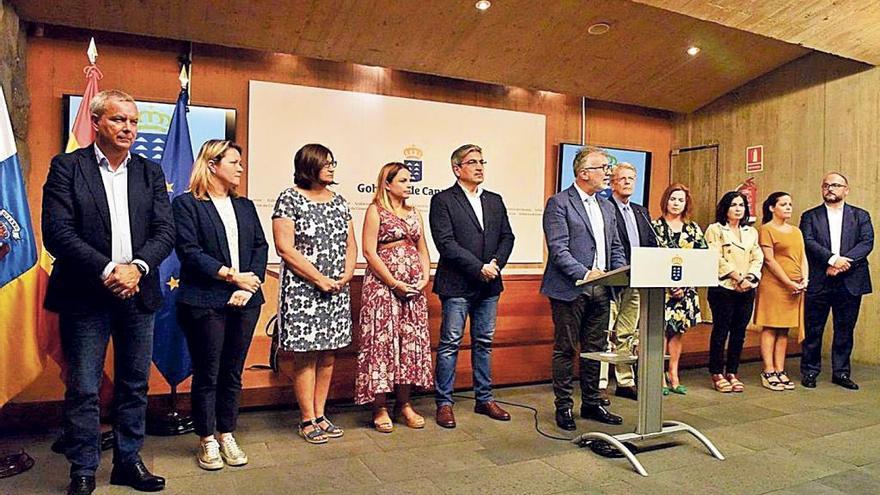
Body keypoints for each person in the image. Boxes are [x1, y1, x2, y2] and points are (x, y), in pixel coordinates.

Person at [42, 89, 174, 495]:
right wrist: (107, 269)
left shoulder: (150, 173)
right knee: (83, 386)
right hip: (85, 294)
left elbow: (164, 231)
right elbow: (57, 233)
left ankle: (128, 462)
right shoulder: (67, 167)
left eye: (134, 122)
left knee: (135, 383)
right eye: (119, 120)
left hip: (138, 291)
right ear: (96, 122)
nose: (129, 129)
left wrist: (135, 268)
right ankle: (82, 468)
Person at [172, 140, 268, 469]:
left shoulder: (245, 206)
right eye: (234, 162)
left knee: (233, 372)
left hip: (246, 299)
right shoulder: (187, 205)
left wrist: (250, 282)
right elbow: (189, 251)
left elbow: (259, 245)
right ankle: (207, 439)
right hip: (205, 299)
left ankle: (227, 432)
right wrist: (231, 278)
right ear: (212, 165)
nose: (241, 167)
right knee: (208, 373)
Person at [272, 144, 357, 443]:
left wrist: (347, 274)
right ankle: (306, 418)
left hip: (337, 288)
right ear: (309, 165)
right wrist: (319, 279)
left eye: (334, 162)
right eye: (326, 163)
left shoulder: (340, 201)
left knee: (329, 354)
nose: (332, 168)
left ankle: (321, 415)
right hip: (303, 290)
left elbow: (350, 244)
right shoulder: (289, 198)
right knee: (306, 356)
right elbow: (285, 248)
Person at [430, 144, 515, 429]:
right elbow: (446, 243)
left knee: (484, 343)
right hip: (457, 284)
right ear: (457, 168)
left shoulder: (495, 199)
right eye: (472, 162)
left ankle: (484, 399)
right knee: (450, 344)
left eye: (482, 161)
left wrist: (496, 264)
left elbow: (508, 237)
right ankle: (444, 403)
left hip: (490, 285)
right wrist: (479, 267)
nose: (479, 167)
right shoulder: (442, 200)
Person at [541, 147, 626, 431]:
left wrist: (620, 275)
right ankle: (563, 406)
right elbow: (558, 249)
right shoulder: (559, 203)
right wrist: (586, 274)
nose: (608, 172)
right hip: (570, 288)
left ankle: (592, 403)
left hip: (603, 290)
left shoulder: (607, 205)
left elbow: (615, 246)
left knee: (595, 349)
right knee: (565, 349)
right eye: (603, 167)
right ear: (583, 173)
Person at [355, 163, 433, 433]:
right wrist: (393, 282)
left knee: (408, 344)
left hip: (412, 290)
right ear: (387, 184)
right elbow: (369, 251)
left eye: (409, 180)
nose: (408, 184)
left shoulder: (415, 213)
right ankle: (379, 407)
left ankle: (404, 404)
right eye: (402, 180)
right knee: (382, 344)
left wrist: (424, 278)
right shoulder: (376, 210)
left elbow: (423, 249)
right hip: (382, 289)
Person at [799, 172, 873, 390]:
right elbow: (808, 241)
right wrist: (832, 259)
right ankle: (810, 371)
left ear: (846, 190)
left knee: (845, 329)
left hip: (851, 280)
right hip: (820, 278)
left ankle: (841, 373)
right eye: (826, 185)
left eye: (836, 185)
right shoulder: (810, 216)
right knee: (814, 328)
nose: (830, 188)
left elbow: (866, 242)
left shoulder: (861, 215)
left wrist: (842, 263)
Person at [605, 162, 657, 401]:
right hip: (613, 280)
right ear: (612, 182)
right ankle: (601, 383)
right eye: (622, 178)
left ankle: (625, 382)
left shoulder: (641, 211)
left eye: (631, 178)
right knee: (606, 332)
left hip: (639, 279)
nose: (627, 182)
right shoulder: (604, 207)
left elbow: (650, 243)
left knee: (627, 332)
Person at [704, 191, 763, 393]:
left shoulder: (750, 232)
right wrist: (737, 277)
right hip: (724, 287)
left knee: (739, 332)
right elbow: (714, 257)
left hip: (747, 287)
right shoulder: (715, 229)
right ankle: (717, 373)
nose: (738, 208)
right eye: (733, 205)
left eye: (741, 205)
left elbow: (758, 257)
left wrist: (750, 279)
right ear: (725, 208)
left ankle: (733, 372)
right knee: (721, 330)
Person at [652, 183, 707, 396]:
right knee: (661, 332)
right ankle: (658, 376)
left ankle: (673, 374)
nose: (676, 204)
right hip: (660, 289)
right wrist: (669, 284)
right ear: (666, 200)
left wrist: (683, 285)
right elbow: (652, 259)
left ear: (686, 204)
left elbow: (701, 258)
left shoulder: (693, 229)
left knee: (677, 331)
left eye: (680, 200)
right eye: (673, 199)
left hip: (686, 290)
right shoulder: (655, 226)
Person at [753, 192, 806, 391]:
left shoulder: (796, 231)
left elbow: (802, 257)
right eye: (783, 204)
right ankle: (768, 370)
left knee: (784, 329)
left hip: (795, 285)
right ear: (771, 208)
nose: (788, 208)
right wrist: (788, 282)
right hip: (774, 285)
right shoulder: (766, 229)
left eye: (790, 204)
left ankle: (780, 369)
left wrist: (804, 278)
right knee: (771, 326)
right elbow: (769, 260)